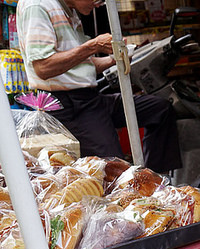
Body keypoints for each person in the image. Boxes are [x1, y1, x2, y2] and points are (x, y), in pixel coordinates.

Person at [16, 0, 182, 173]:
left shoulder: (70, 10)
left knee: (159, 109)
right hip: (68, 105)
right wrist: (92, 46)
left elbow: (80, 65)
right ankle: (128, 188)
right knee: (114, 167)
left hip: (90, 98)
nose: (98, 3)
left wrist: (113, 59)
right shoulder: (37, 5)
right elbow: (43, 67)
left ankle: (155, 182)